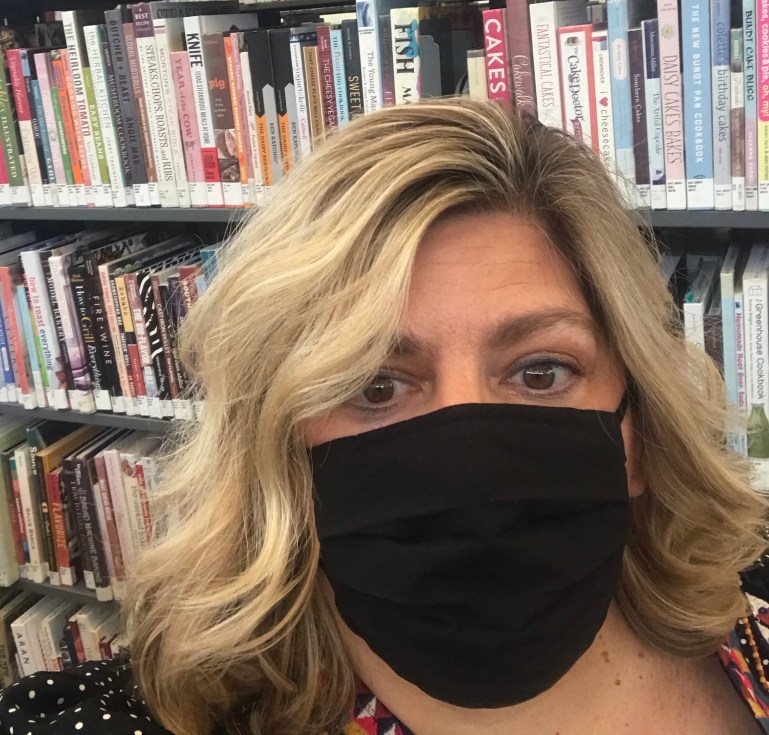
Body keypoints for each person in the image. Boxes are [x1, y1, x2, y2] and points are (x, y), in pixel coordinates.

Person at [1, 99, 769, 735]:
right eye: (374, 385)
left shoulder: (748, 595)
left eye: (541, 371)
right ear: (277, 445)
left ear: (638, 429)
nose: (471, 460)